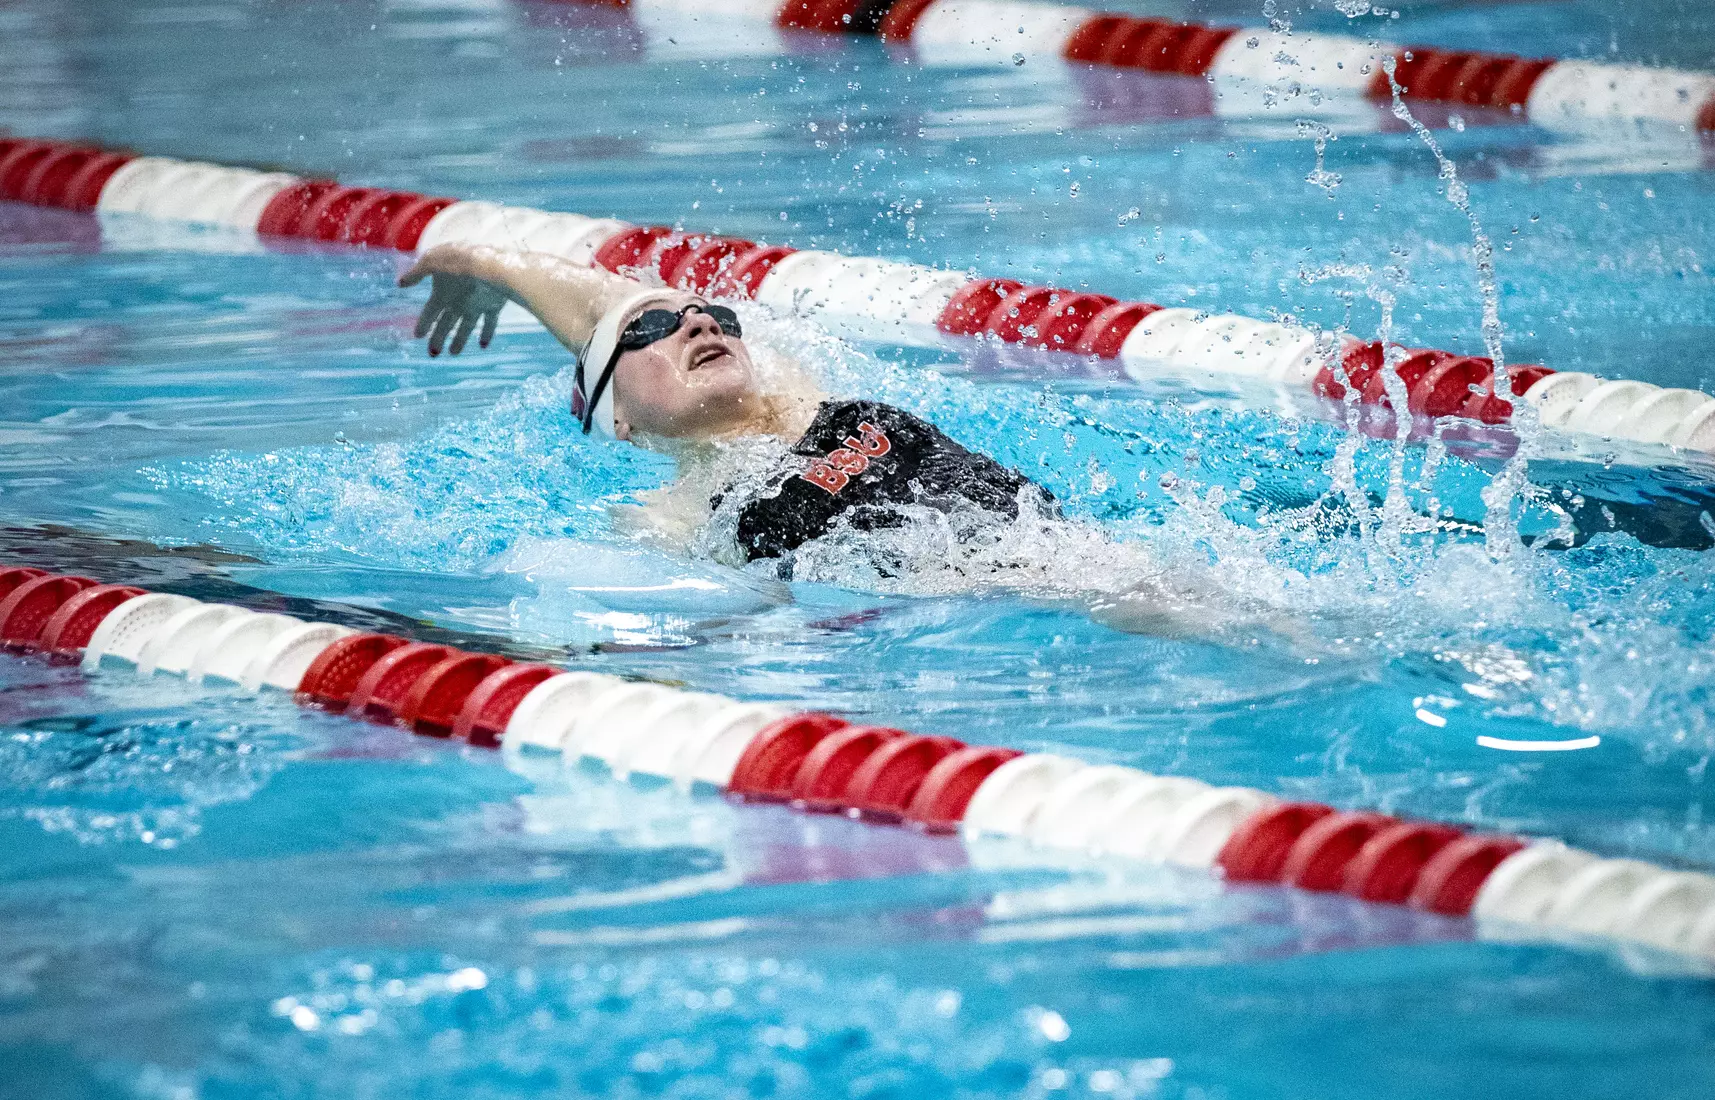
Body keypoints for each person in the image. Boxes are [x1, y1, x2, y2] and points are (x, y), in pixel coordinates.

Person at [400, 243, 1059, 571]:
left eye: (711, 315)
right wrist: (474, 262)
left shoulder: (804, 400)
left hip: (1083, 553)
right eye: (652, 330)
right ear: (617, 418)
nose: (700, 326)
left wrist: (480, 261)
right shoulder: (672, 523)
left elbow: (612, 302)